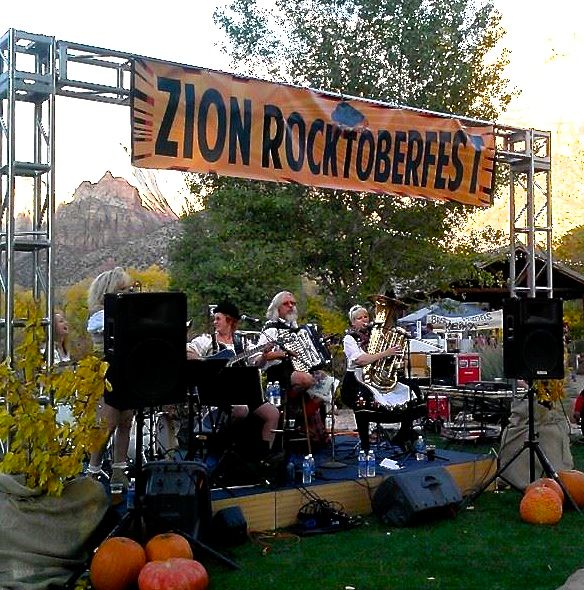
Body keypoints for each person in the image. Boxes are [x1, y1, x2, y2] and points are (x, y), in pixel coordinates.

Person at [187, 300, 280, 457]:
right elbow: (187, 352)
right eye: (214, 319)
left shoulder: (241, 343)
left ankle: (263, 456)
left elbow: (257, 363)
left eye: (218, 319)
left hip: (244, 393)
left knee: (273, 413)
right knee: (241, 410)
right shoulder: (207, 340)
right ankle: (226, 448)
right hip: (218, 394)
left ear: (229, 321)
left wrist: (264, 355)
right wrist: (205, 362)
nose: (215, 322)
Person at [341, 304, 424, 452]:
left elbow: (386, 358)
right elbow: (360, 360)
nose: (364, 320)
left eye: (366, 316)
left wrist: (395, 355)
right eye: (359, 318)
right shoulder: (349, 338)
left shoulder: (377, 335)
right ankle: (365, 446)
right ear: (353, 323)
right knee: (364, 398)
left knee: (413, 390)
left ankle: (402, 436)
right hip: (357, 378)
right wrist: (385, 353)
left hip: (378, 376)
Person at [255, 291, 328, 446]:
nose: (291, 306)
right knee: (307, 379)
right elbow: (259, 357)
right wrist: (281, 354)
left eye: (293, 303)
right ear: (277, 308)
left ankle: (302, 421)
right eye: (286, 303)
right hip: (279, 373)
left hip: (298, 370)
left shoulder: (297, 329)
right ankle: (298, 415)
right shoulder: (270, 329)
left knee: (326, 382)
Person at [86, 267, 135, 488]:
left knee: (126, 419)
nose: (129, 293)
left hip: (125, 371)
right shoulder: (99, 317)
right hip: (107, 372)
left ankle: (119, 469)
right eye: (124, 289)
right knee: (107, 423)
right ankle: (93, 470)